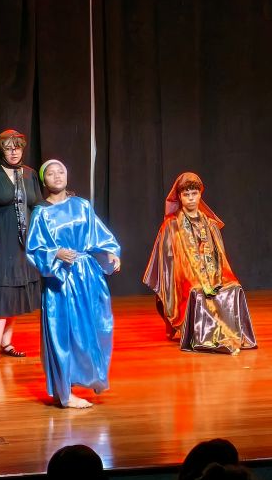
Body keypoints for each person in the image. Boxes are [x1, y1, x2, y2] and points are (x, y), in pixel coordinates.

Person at [25, 159, 121, 409]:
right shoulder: (41, 213)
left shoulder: (81, 205)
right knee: (63, 334)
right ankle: (64, 393)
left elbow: (98, 234)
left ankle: (92, 376)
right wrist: (55, 253)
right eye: (51, 173)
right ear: (44, 181)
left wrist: (111, 252)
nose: (57, 176)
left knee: (95, 328)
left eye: (61, 171)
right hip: (61, 281)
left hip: (87, 276)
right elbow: (34, 248)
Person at [142, 172, 256, 354]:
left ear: (200, 194)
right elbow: (168, 261)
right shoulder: (171, 225)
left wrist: (215, 276)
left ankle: (229, 334)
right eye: (186, 194)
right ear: (179, 197)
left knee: (233, 287)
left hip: (212, 273)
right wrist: (191, 274)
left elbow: (220, 256)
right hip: (184, 276)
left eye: (194, 194)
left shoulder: (210, 223)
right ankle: (204, 337)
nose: (190, 198)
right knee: (197, 290)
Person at [0, 129, 45, 366]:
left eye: (17, 147)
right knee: (0, 293)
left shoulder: (29, 173)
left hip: (24, 244)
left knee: (15, 293)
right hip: (0, 241)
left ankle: (7, 343)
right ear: (1, 149)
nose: (13, 152)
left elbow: (38, 206)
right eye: (8, 148)